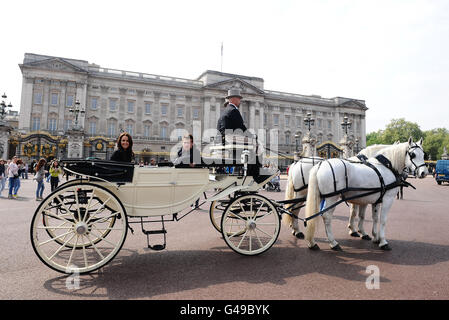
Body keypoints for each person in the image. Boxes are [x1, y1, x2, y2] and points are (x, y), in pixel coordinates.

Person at [173, 134, 202, 208]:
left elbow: (197, 163)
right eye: (185, 142)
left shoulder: (196, 151)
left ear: (192, 143)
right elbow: (176, 161)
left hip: (195, 175)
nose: (186, 144)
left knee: (195, 191)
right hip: (184, 175)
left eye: (188, 142)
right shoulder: (180, 151)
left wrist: (192, 163)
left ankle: (196, 204)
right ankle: (190, 202)